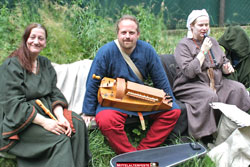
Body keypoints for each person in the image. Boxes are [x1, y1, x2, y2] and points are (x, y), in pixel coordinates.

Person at [81, 15, 181, 154]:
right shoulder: (106, 51)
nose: (127, 36)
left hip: (140, 98)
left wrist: (169, 99)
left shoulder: (147, 50)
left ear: (138, 34)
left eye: (131, 33)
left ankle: (143, 151)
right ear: (118, 34)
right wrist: (89, 111)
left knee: (173, 111)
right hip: (114, 100)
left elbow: (160, 78)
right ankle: (128, 155)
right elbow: (93, 81)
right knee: (105, 120)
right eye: (123, 32)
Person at [0, 23, 91, 167]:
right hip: (20, 121)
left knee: (77, 123)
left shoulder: (45, 63)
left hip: (46, 110)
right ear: (25, 39)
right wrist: (46, 123)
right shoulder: (12, 65)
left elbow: (54, 93)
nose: (36, 41)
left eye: (41, 38)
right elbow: (13, 105)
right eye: (33, 37)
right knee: (60, 138)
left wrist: (61, 118)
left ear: (45, 43)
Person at [172, 9, 250, 143]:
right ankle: (205, 136)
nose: (204, 28)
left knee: (238, 89)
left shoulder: (212, 41)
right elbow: (189, 72)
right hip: (191, 84)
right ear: (191, 26)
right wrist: (203, 51)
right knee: (210, 96)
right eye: (200, 25)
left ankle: (233, 128)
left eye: (206, 25)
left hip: (216, 82)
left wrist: (226, 68)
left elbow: (223, 60)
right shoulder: (183, 45)